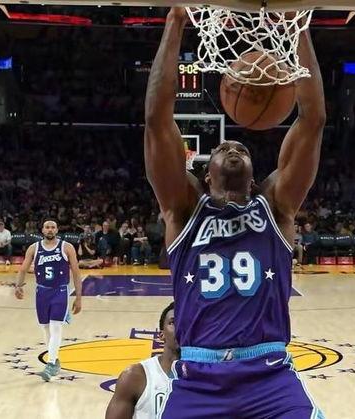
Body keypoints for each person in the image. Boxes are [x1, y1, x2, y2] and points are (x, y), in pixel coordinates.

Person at [145, 7, 325, 418]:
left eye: (241, 148)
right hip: (199, 377)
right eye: (223, 148)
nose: (233, 148)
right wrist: (175, 21)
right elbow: (156, 120)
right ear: (205, 175)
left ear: (255, 174)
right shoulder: (183, 209)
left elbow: (313, 120)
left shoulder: (276, 206)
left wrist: (298, 28)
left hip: (269, 374)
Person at [14, 220, 82, 381]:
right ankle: (55, 360)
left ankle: (50, 364)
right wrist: (18, 286)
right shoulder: (34, 248)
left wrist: (79, 297)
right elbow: (23, 269)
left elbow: (76, 272)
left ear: (57, 230)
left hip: (60, 291)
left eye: (53, 227)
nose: (50, 230)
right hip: (42, 292)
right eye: (47, 227)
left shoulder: (66, 247)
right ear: (42, 230)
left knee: (55, 326)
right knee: (45, 328)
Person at [105, 302, 179, 419]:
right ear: (161, 334)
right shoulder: (135, 376)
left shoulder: (205, 377)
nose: (180, 328)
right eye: (173, 322)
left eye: (186, 322)